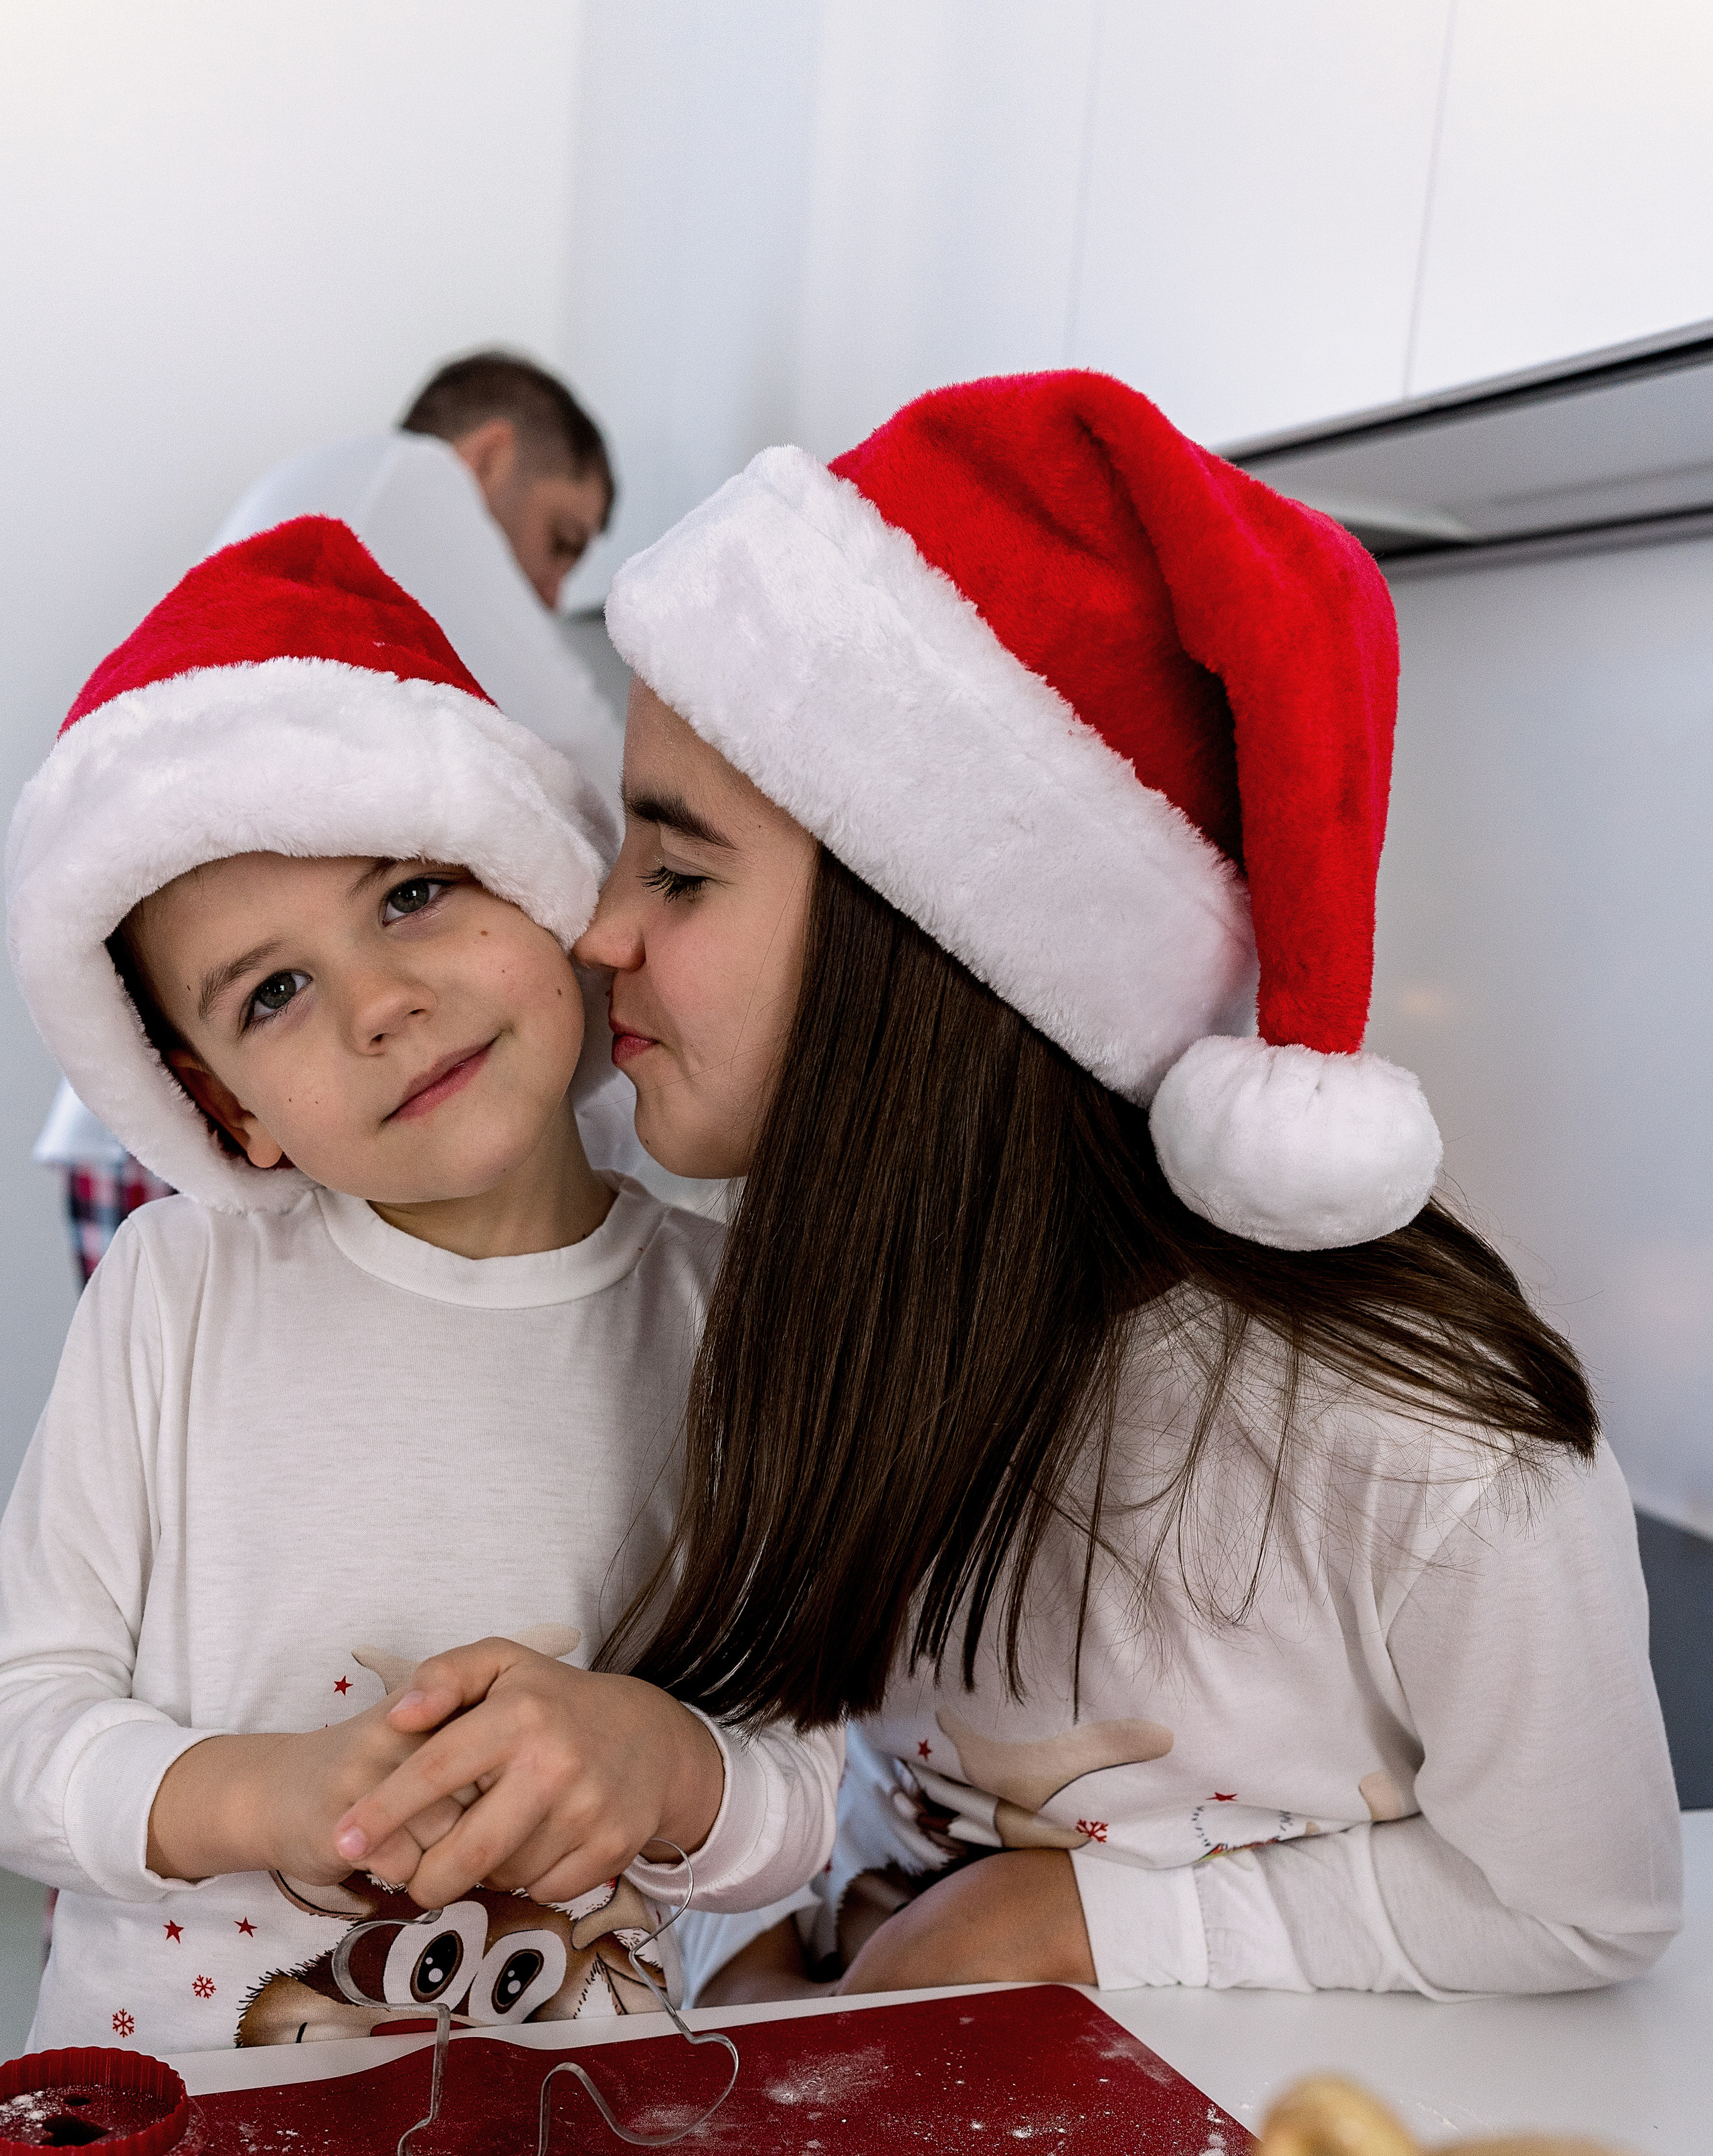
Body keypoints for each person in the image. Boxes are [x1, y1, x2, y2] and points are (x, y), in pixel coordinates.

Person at [533, 368, 1674, 2009]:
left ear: (934, 951)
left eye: (680, 868)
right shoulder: (813, 1290)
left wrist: (1066, 1927)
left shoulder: (1414, 1446)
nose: (599, 931)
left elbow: (1590, 1907)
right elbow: (822, 1772)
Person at [0, 516, 838, 2054]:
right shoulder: (179, 1287)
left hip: (563, 2146)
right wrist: (270, 1793)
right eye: (276, 990)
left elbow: (794, 1799)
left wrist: (654, 1763)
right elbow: (19, 1719)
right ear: (225, 1103)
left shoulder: (731, 1315)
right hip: (182, 2138)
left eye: (410, 895)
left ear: (540, 884)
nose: (383, 1005)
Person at [33, 348, 691, 1281]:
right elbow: (582, 760)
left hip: (166, 1113)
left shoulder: (305, 503)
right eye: (560, 540)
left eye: (412, 896)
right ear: (490, 456)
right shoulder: (414, 480)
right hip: (201, 1129)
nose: (550, 594)